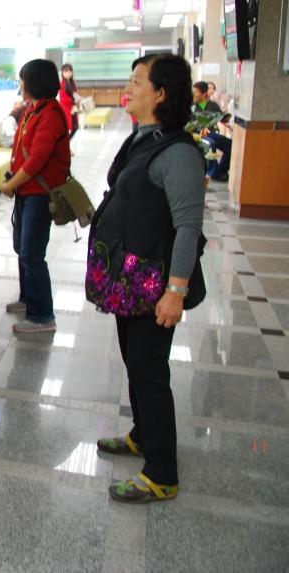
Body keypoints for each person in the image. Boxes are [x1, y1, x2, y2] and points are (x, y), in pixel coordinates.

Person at [92, 54, 204, 504]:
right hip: (129, 282)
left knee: (150, 372)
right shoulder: (143, 140)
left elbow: (187, 228)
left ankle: (161, 471)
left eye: (138, 81)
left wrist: (175, 293)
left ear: (161, 93)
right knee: (135, 363)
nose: (129, 86)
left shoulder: (178, 153)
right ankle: (143, 434)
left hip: (156, 285)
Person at [0, 59, 71, 335]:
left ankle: (42, 316)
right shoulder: (33, 110)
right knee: (21, 247)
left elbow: (38, 159)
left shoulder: (51, 113)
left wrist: (11, 184)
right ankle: (28, 297)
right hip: (26, 191)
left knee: (31, 252)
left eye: (23, 80)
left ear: (34, 81)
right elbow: (21, 147)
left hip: (39, 193)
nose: (21, 85)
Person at [58, 63, 81, 137]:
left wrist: (79, 98)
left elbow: (74, 93)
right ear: (62, 72)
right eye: (66, 71)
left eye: (70, 71)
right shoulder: (62, 83)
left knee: (75, 127)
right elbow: (63, 98)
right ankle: (66, 145)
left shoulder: (72, 82)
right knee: (68, 128)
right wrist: (73, 101)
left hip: (73, 108)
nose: (68, 73)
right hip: (66, 108)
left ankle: (67, 144)